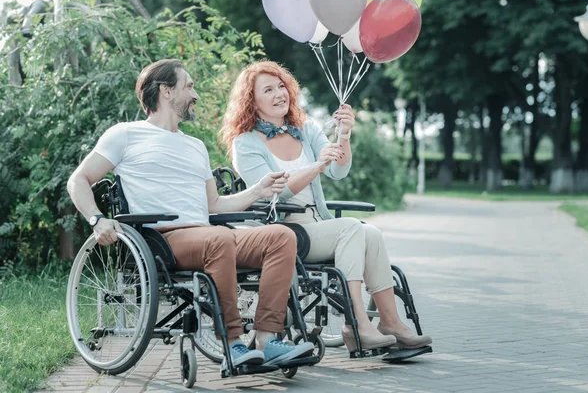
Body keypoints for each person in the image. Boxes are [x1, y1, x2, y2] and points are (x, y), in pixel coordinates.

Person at [67, 59, 314, 371]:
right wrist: (96, 219)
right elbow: (78, 180)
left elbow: (214, 206)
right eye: (189, 86)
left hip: (208, 234)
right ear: (167, 91)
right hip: (163, 240)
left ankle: (267, 339)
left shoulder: (195, 145)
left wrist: (256, 191)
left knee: (281, 236)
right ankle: (234, 343)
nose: (196, 94)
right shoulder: (125, 135)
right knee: (219, 238)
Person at [221, 60, 432, 352]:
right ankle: (356, 323)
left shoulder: (305, 129)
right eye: (268, 90)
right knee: (351, 229)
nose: (279, 93)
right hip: (282, 230)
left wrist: (343, 135)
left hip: (316, 223)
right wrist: (317, 165)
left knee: (371, 232)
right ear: (252, 101)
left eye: (281, 86)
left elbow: (337, 170)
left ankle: (390, 322)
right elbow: (276, 194)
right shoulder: (245, 143)